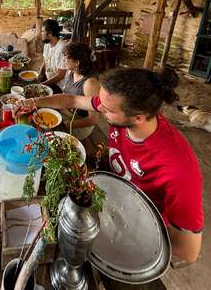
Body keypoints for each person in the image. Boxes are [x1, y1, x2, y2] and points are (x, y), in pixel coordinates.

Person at [16, 67, 203, 263]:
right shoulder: (118, 107)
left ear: (138, 117)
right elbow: (72, 100)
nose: (99, 109)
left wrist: (135, 233)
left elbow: (188, 251)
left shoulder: (179, 169)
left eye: (107, 110)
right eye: (101, 103)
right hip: (107, 191)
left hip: (134, 225)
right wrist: (34, 103)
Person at [61, 42, 100, 141]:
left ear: (77, 62)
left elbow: (93, 119)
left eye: (66, 58)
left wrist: (68, 125)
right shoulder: (71, 72)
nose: (64, 60)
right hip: (67, 113)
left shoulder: (90, 83)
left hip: (79, 122)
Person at [38, 19, 67, 92]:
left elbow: (60, 75)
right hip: (49, 80)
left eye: (42, 31)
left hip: (60, 86)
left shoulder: (62, 47)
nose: (40, 34)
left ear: (50, 33)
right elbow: (45, 62)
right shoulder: (47, 44)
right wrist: (39, 75)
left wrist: (43, 84)